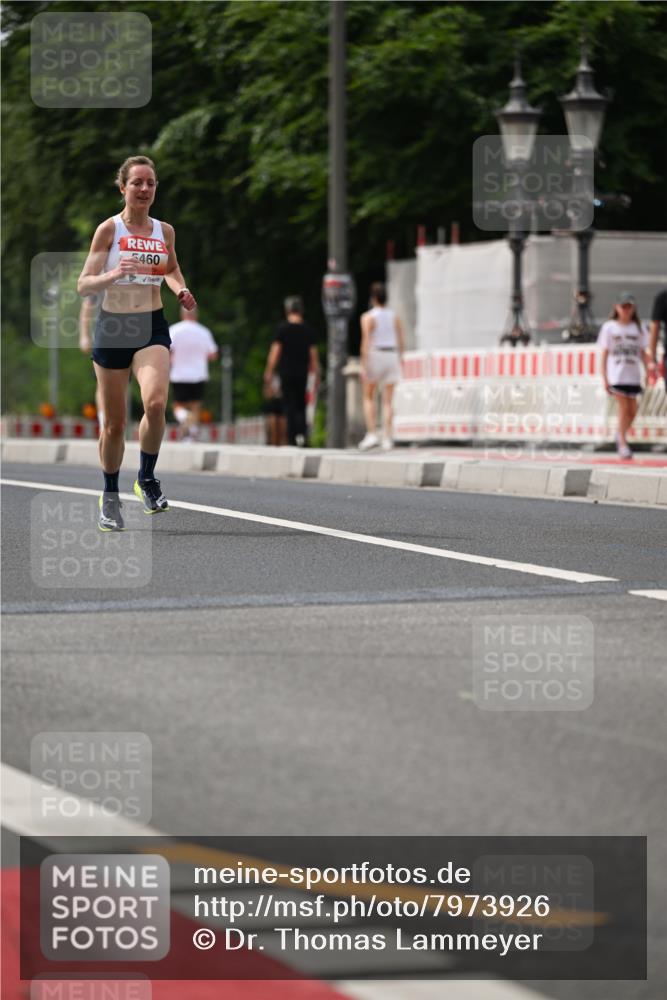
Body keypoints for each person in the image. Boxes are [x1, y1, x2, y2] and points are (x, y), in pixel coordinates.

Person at [77, 155, 196, 531]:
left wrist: (181, 288)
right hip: (113, 328)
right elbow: (84, 283)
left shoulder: (166, 231)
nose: (145, 189)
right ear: (123, 187)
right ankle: (110, 497)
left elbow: (171, 268)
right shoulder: (108, 230)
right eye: (137, 183)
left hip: (151, 326)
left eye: (151, 183)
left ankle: (146, 477)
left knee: (157, 402)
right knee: (113, 425)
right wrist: (113, 273)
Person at [597, 292, 651, 460]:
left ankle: (620, 434)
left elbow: (643, 353)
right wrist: (605, 378)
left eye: (629, 307)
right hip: (616, 375)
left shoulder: (639, 328)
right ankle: (622, 443)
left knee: (633, 411)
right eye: (623, 306)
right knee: (624, 408)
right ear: (617, 308)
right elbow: (604, 354)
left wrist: (649, 370)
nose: (627, 310)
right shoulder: (610, 327)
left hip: (633, 375)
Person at [263, 296, 320, 446]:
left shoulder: (282, 329)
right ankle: (302, 435)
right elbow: (313, 357)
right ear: (301, 310)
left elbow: (275, 353)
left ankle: (291, 437)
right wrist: (316, 375)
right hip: (302, 374)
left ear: (287, 310)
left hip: (286, 373)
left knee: (289, 405)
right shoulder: (308, 330)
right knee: (301, 404)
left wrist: (269, 372)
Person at [358, 281, 405, 451]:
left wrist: (363, 364)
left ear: (373, 298)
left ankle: (371, 434)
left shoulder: (368, 317)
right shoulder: (395, 316)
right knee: (388, 400)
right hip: (392, 354)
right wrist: (400, 357)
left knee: (369, 396)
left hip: (375, 353)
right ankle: (388, 437)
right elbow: (401, 339)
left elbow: (366, 340)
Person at [168, 305, 218, 442]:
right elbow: (213, 354)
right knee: (196, 405)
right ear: (196, 315)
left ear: (182, 314)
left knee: (178, 406)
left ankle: (184, 419)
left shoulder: (174, 330)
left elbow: (168, 351)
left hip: (179, 374)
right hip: (198, 374)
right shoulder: (204, 332)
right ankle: (191, 434)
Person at [78, 293, 104, 429]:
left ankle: (117, 419)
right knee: (102, 382)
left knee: (123, 383)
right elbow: (87, 307)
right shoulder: (101, 279)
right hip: (104, 336)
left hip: (128, 336)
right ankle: (103, 420)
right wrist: (84, 336)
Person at [262, 374, 288, 446]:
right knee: (273, 427)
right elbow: (266, 394)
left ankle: (282, 445)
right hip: (272, 404)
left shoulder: (285, 375)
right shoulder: (270, 377)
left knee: (283, 429)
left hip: (282, 403)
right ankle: (273, 445)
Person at [648, 288, 667, 385]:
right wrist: (652, 359)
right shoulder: (663, 298)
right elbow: (654, 327)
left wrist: (652, 359)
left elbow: (654, 327)